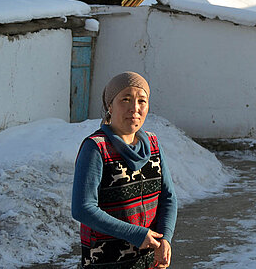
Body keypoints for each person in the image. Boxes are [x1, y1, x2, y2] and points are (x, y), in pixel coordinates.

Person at [72, 72, 177, 268]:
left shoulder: (153, 143)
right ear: (109, 106)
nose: (134, 108)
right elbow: (83, 209)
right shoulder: (96, 148)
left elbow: (168, 197)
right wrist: (136, 234)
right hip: (106, 260)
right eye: (125, 99)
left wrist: (165, 239)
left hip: (149, 260)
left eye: (142, 101)